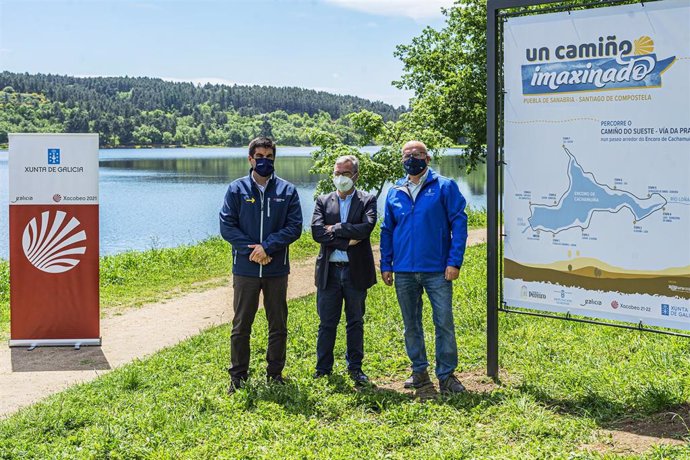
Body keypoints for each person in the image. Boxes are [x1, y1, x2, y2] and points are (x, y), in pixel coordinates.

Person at [380, 140, 468, 394]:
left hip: (437, 270)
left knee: (443, 322)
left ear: (427, 158)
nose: (412, 158)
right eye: (407, 155)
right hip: (404, 270)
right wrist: (387, 264)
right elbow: (387, 230)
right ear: (402, 161)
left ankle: (447, 375)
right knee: (411, 324)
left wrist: (454, 261)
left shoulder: (444, 187)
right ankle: (419, 371)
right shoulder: (395, 191)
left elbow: (459, 224)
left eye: (417, 154)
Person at [220, 136, 303, 393]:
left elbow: (294, 227)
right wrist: (254, 250)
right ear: (250, 159)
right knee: (241, 324)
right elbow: (227, 226)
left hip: (276, 268)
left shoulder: (287, 191)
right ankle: (238, 376)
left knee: (277, 323)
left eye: (269, 157)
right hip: (245, 269)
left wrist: (268, 246)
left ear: (274, 159)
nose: (264, 161)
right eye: (260, 157)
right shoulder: (236, 190)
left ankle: (275, 373)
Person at [311, 155, 377, 386]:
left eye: (345, 174)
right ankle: (323, 369)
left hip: (355, 271)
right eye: (337, 173)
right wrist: (346, 240)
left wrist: (336, 228)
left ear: (355, 176)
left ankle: (355, 368)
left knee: (355, 321)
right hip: (329, 271)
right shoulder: (322, 200)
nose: (340, 178)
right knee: (326, 322)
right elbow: (317, 232)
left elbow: (366, 228)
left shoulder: (367, 200)